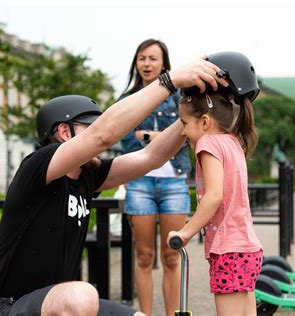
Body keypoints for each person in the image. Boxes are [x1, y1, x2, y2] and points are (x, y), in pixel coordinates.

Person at [0, 56, 228, 316]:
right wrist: (170, 80)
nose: (105, 139)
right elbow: (102, 135)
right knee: (81, 295)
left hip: (60, 304)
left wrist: (192, 110)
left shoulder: (88, 175)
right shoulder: (38, 166)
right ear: (64, 132)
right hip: (4, 308)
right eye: (90, 124)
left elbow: (150, 157)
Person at [167, 52, 263, 316]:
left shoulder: (207, 143)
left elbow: (214, 196)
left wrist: (185, 232)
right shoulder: (232, 141)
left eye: (185, 123)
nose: (183, 131)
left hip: (228, 249)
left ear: (205, 122)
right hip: (247, 247)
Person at [119, 39, 191, 316]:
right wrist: (163, 139)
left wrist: (147, 136)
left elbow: (187, 135)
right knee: (144, 256)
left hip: (174, 181)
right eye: (142, 58)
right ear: (136, 63)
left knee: (172, 256)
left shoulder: (181, 98)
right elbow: (126, 142)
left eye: (152, 58)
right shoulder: (127, 100)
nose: (147, 64)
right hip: (140, 182)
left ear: (164, 64)